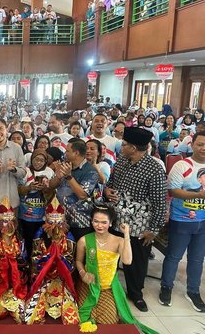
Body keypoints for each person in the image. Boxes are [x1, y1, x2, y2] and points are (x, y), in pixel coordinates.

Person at [104, 127, 167, 312]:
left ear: (133, 147)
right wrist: (107, 190)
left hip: (139, 225)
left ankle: (135, 294)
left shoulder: (154, 168)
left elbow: (160, 202)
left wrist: (153, 229)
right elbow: (110, 184)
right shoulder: (122, 161)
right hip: (116, 219)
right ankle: (109, 290)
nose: (120, 147)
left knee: (136, 262)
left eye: (124, 145)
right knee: (112, 256)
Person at [76, 205, 158, 333]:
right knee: (82, 317)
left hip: (108, 287)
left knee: (109, 322)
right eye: (96, 221)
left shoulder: (119, 240)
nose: (99, 225)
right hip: (90, 285)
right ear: (91, 222)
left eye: (104, 222)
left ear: (110, 223)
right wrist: (82, 273)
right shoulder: (84, 240)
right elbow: (78, 261)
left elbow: (127, 261)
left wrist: (126, 235)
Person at [159, 131, 205, 312]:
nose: (203, 148)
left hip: (203, 222)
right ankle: (166, 287)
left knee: (197, 259)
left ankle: (193, 291)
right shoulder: (182, 165)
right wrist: (199, 195)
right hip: (182, 219)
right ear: (192, 144)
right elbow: (173, 190)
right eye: (200, 144)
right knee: (174, 256)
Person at [25, 197, 79, 325]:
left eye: (58, 222)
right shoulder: (40, 235)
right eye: (51, 221)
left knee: (72, 318)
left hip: (62, 278)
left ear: (64, 221)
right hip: (44, 276)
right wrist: (46, 259)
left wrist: (60, 259)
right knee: (32, 318)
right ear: (46, 219)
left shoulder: (69, 237)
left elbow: (71, 261)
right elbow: (35, 258)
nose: (55, 225)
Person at [0, 198, 28, 323]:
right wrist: (3, 261)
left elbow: (24, 260)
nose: (8, 225)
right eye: (4, 221)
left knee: (22, 315)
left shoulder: (19, 239)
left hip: (17, 282)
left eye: (11, 221)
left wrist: (15, 261)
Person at [49, 139, 99, 241]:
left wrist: (69, 177)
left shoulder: (90, 171)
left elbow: (82, 195)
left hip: (80, 222)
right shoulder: (65, 165)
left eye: (67, 151)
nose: (65, 153)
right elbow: (51, 185)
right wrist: (58, 177)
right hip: (60, 220)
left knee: (78, 253)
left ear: (76, 153)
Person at [18, 148, 54, 256]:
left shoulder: (49, 171)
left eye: (41, 160)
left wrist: (45, 189)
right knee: (27, 239)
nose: (38, 163)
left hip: (41, 215)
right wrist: (29, 188)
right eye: (36, 159)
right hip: (25, 214)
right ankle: (28, 261)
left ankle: (39, 262)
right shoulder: (25, 171)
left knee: (41, 240)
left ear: (45, 161)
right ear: (31, 159)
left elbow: (52, 194)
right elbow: (18, 189)